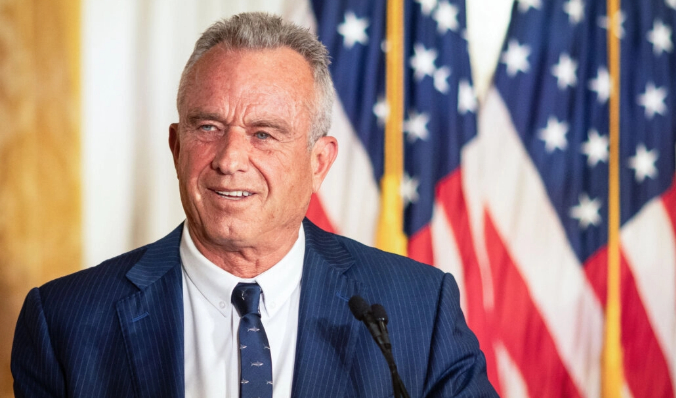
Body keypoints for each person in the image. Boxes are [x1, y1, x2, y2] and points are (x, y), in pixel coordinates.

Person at [12, 12, 497, 398]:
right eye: (208, 128)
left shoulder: (417, 311)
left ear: (319, 162)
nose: (229, 159)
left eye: (264, 134)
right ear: (176, 146)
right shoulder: (65, 323)